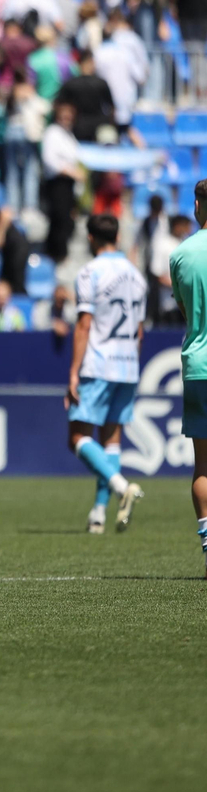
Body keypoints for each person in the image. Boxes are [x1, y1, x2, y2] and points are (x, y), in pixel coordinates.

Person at [65, 214, 146, 536]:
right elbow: (139, 331)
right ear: (118, 235)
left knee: (77, 437)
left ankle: (121, 486)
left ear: (90, 238)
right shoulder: (136, 276)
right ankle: (98, 513)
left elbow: (84, 324)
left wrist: (73, 372)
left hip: (99, 363)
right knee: (110, 439)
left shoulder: (90, 272)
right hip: (128, 364)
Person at [172, 179, 207, 577]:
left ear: (198, 205)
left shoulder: (181, 255)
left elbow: (185, 310)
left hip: (198, 365)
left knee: (203, 464)